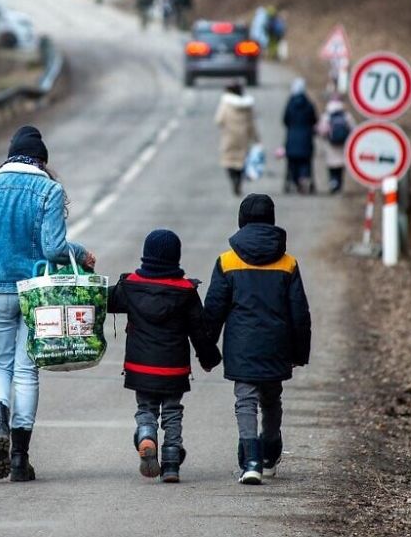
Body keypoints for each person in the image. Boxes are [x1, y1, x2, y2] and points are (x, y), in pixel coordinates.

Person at [0, 125, 96, 482]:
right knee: (27, 371)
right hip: (37, 296)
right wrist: (80, 254)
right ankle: (19, 458)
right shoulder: (49, 190)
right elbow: (55, 250)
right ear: (42, 161)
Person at [202, 194, 312, 485]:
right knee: (272, 398)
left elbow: (214, 310)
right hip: (277, 344)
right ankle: (270, 450)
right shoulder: (288, 263)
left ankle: (250, 459)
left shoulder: (227, 261)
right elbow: (299, 312)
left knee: (246, 400)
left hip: (242, 344)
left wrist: (206, 348)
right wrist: (300, 352)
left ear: (241, 220)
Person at [108, 229, 221, 483]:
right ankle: (171, 463)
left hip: (140, 367)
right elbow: (199, 331)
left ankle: (147, 434)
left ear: (145, 256)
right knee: (172, 412)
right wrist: (209, 358)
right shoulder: (186, 291)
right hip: (174, 369)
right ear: (176, 258)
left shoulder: (130, 286)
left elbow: (104, 300)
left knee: (146, 408)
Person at [213, 82, 259, 196]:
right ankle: (239, 181)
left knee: (229, 161)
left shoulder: (225, 104)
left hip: (229, 137)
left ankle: (233, 180)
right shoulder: (247, 106)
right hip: (243, 138)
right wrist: (256, 138)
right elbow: (251, 123)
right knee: (242, 161)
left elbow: (218, 120)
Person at [283, 78, 318, 194]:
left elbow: (285, 120)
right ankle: (304, 179)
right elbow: (314, 120)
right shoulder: (309, 104)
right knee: (305, 162)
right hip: (306, 139)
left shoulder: (290, 104)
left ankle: (295, 181)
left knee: (293, 163)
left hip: (292, 138)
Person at [316, 98, 355, 194]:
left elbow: (321, 131)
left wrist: (325, 137)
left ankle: (333, 183)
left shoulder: (326, 116)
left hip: (330, 146)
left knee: (332, 166)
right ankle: (339, 185)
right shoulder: (346, 116)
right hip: (343, 146)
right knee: (340, 167)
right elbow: (353, 129)